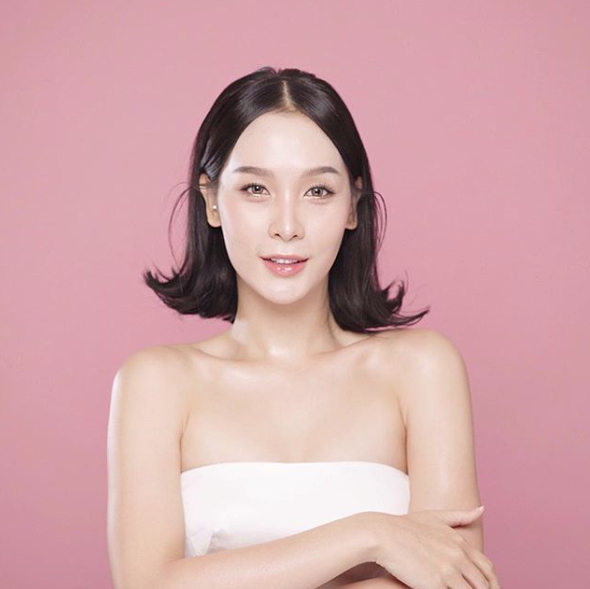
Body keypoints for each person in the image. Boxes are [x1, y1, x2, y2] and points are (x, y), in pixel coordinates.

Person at [107, 67, 500, 589]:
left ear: (353, 206)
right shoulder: (156, 382)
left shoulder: (421, 368)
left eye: (317, 190)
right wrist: (369, 535)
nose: (287, 226)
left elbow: (457, 580)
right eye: (255, 188)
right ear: (211, 201)